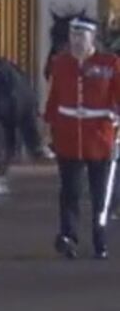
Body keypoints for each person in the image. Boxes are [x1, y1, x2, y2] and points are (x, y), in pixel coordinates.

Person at [43, 15, 120, 260]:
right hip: (68, 137)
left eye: (81, 36)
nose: (76, 40)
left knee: (100, 194)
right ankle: (69, 235)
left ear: (92, 38)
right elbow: (54, 98)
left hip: (99, 137)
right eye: (73, 35)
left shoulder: (110, 63)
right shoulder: (60, 63)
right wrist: (48, 128)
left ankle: (100, 236)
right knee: (70, 191)